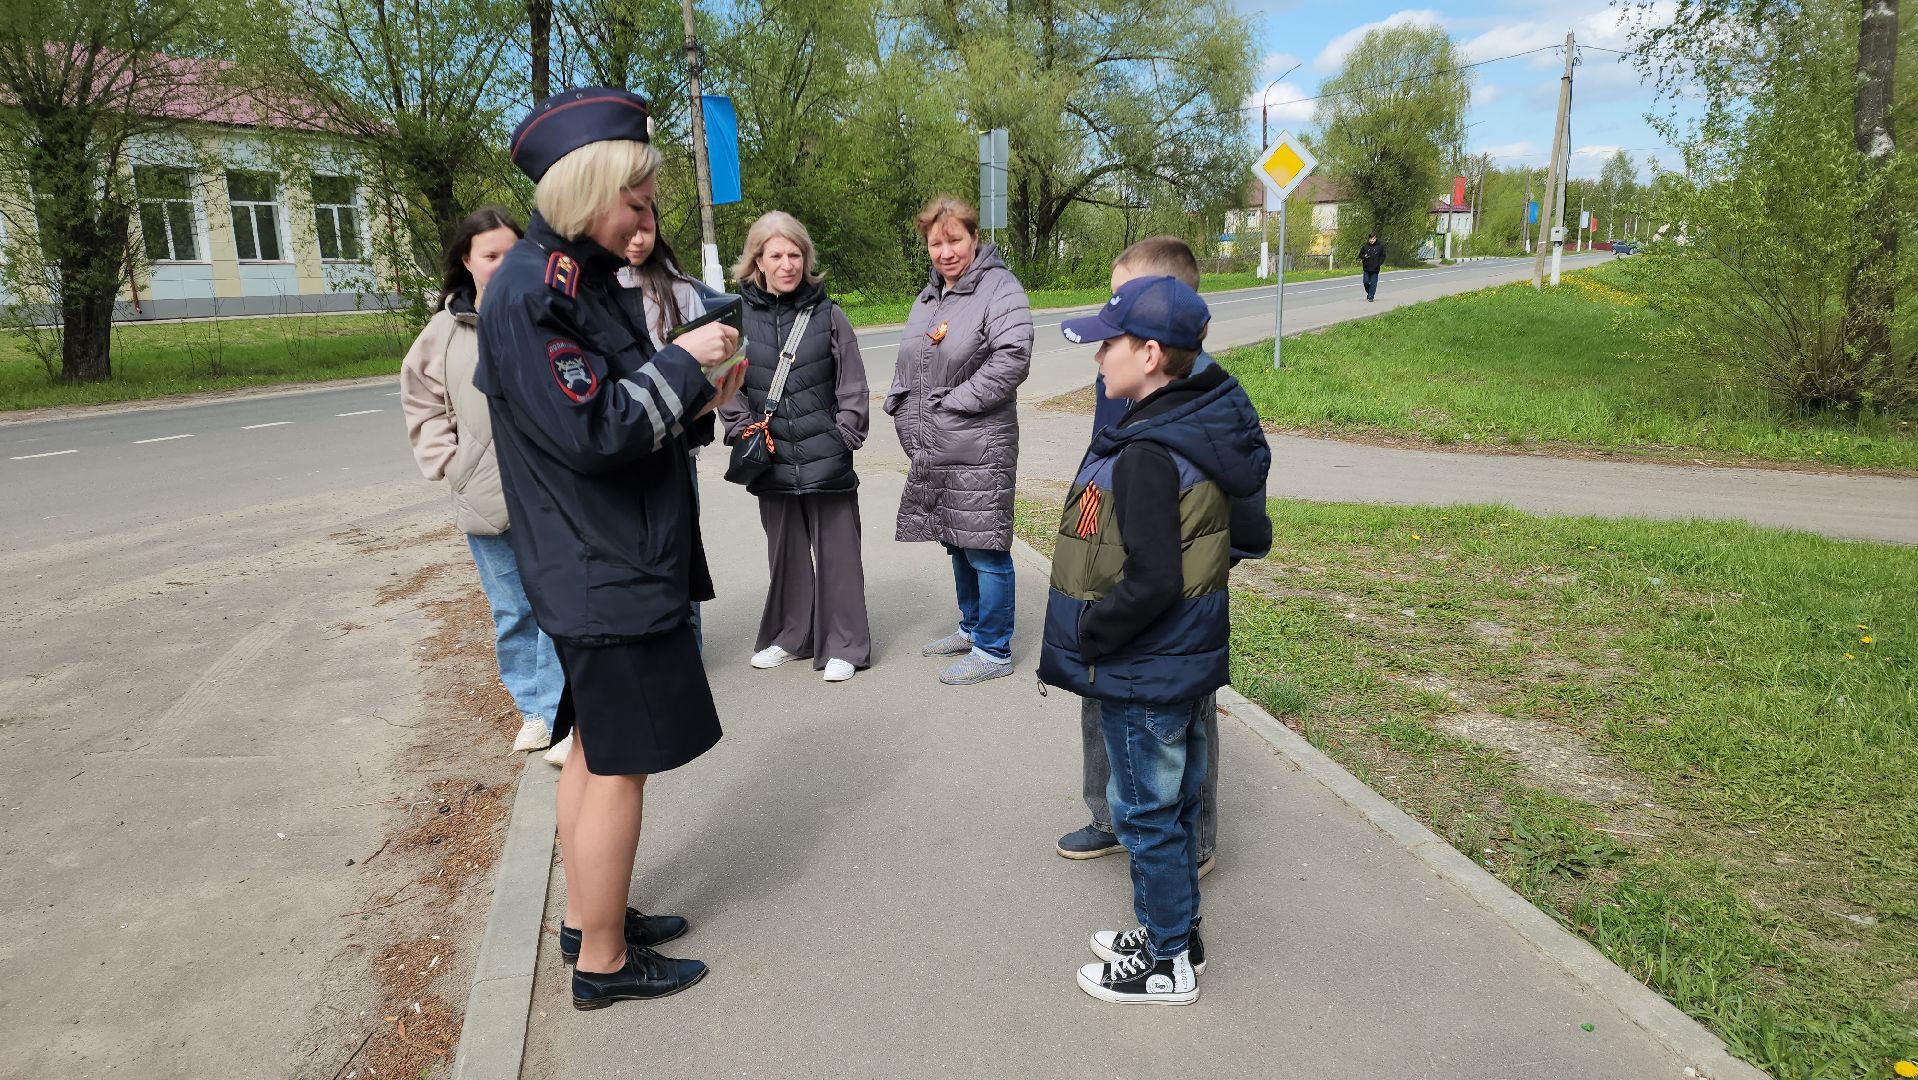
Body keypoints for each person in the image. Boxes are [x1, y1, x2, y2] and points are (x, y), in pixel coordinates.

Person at [474, 86, 747, 1011]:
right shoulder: (534, 293)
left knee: (594, 747)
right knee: (620, 762)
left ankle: (593, 913)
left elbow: (619, 410)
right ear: (590, 189)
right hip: (605, 564)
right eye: (636, 201)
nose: (645, 220)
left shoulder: (567, 278)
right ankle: (602, 961)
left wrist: (699, 394)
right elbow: (595, 429)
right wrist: (685, 360)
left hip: (603, 556)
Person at [1041, 275, 1271, 1005]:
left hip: (1142, 667)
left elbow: (1151, 581)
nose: (1098, 358)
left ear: (1148, 354)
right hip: (1178, 660)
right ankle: (1177, 931)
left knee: (1144, 811)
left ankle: (1167, 962)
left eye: (1108, 344)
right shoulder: (1196, 420)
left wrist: (1089, 633)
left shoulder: (1147, 449)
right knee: (1169, 806)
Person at [400, 207, 562, 757]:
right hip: (485, 495)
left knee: (559, 603)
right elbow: (420, 402)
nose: (501, 265)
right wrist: (452, 463)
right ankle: (534, 712)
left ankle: (561, 709)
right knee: (513, 609)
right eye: (489, 255)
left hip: (552, 490)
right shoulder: (442, 332)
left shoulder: (547, 310)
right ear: (466, 261)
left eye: (511, 254)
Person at [718, 211, 872, 683]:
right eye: (776, 255)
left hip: (826, 458)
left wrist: (844, 435)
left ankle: (845, 643)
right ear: (757, 262)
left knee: (839, 554)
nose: (787, 264)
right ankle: (791, 635)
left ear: (806, 260)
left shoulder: (829, 314)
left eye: (795, 254)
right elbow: (727, 387)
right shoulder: (736, 319)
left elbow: (853, 386)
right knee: (783, 552)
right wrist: (743, 431)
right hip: (772, 458)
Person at [885, 196, 1032, 685]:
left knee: (986, 547)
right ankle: (971, 627)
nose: (945, 251)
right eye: (936, 243)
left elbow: (1011, 358)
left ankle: (994, 649)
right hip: (937, 445)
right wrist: (899, 405)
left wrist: (954, 403)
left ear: (974, 237)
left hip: (980, 443)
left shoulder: (999, 288)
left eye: (955, 240)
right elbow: (909, 363)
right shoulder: (929, 298)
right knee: (956, 539)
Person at [1359, 232, 1386, 302]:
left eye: (1373, 239)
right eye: (1370, 239)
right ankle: (1369, 292)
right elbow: (1360, 255)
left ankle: (1371, 296)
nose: (1372, 240)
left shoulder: (1380, 247)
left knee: (1373, 283)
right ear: (1368, 239)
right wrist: (1364, 256)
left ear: (1376, 238)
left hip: (1375, 268)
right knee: (1366, 282)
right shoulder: (1365, 246)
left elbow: (1383, 256)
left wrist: (1378, 264)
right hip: (1366, 268)